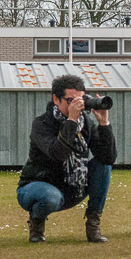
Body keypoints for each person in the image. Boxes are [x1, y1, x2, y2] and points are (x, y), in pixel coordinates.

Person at [18, 75, 116, 243]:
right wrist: (71, 120)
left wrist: (104, 124)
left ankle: (93, 224)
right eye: (71, 100)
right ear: (56, 99)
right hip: (38, 187)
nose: (77, 105)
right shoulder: (42, 124)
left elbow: (108, 158)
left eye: (81, 99)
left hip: (72, 189)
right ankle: (36, 223)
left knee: (103, 165)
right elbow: (58, 154)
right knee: (50, 197)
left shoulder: (85, 123)